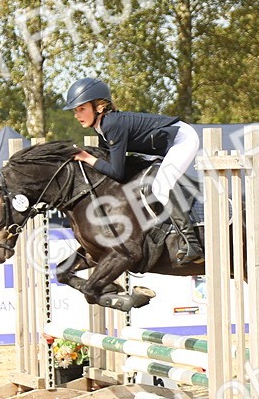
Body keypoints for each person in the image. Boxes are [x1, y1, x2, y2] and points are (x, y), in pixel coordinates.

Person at [63, 76, 203, 265]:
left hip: (182, 140)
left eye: (82, 109)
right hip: (162, 147)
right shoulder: (101, 127)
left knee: (161, 187)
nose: (77, 115)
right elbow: (112, 169)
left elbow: (117, 172)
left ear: (99, 107)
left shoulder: (111, 124)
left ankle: (192, 243)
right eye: (75, 110)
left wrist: (87, 157)